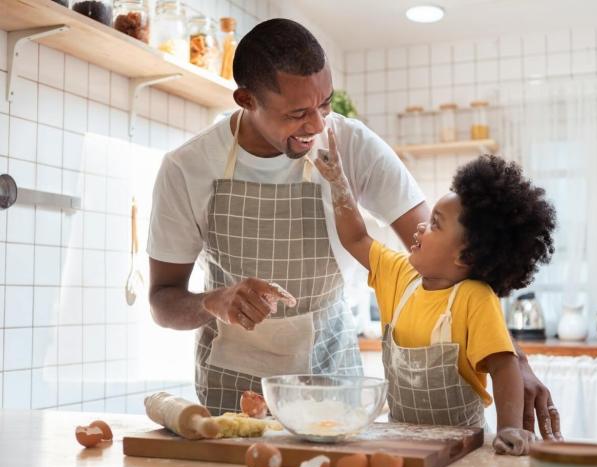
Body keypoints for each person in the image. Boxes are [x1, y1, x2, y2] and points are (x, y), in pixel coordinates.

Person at [147, 17, 562, 439]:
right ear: (246, 99)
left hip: (334, 389)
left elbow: (457, 264)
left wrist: (514, 360)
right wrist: (215, 301)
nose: (316, 126)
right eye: (297, 113)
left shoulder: (353, 147)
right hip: (230, 392)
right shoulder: (187, 168)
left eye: (324, 105)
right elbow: (163, 302)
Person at [314, 134, 557, 454]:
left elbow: (503, 366)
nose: (419, 228)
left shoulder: (475, 298)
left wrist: (509, 430)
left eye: (435, 225)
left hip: (462, 449)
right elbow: (356, 239)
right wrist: (339, 184)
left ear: (464, 257)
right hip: (403, 442)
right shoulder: (399, 273)